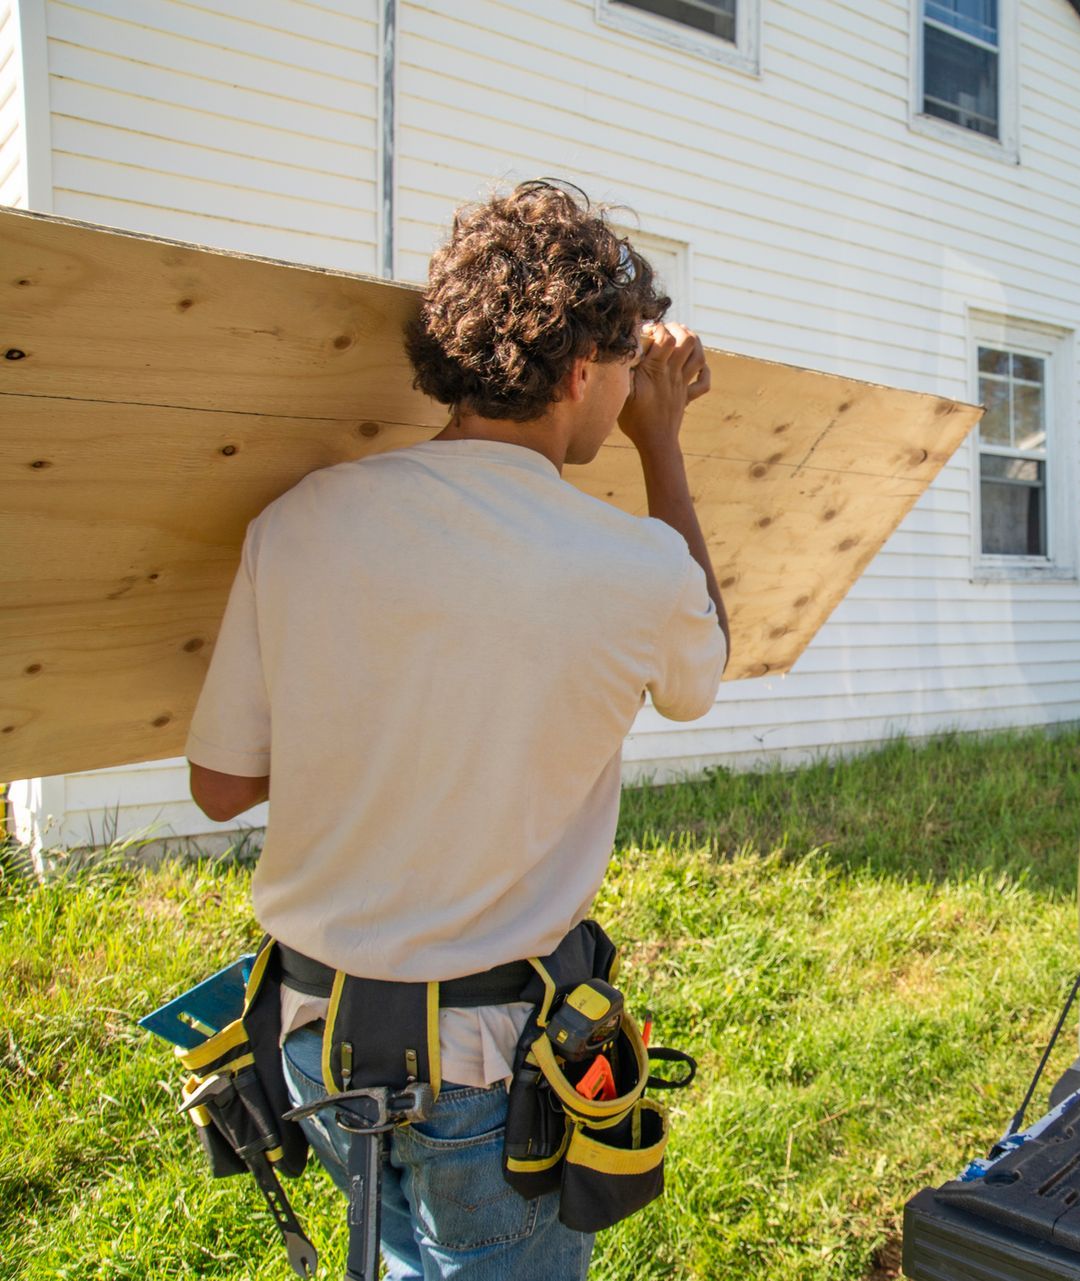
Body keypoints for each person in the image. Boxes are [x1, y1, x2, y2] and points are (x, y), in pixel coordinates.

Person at [183, 179, 728, 1279]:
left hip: (312, 1038)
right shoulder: (632, 567)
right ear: (581, 375)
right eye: (623, 369)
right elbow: (698, 676)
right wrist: (661, 442)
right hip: (488, 1066)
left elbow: (221, 786)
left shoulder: (296, 521)